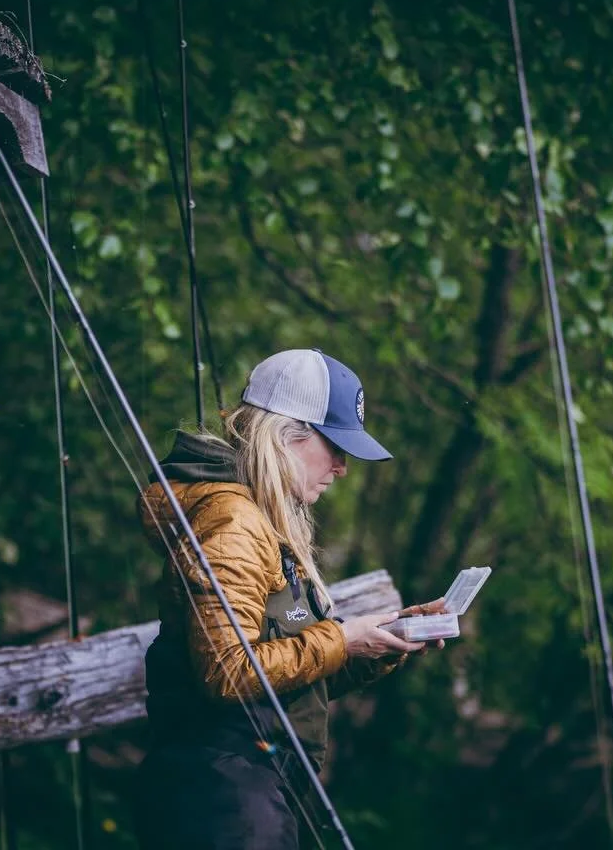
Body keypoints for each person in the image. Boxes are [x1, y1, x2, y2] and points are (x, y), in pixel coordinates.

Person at [133, 348, 442, 850]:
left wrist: (377, 644)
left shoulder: (259, 519)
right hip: (224, 801)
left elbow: (285, 683)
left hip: (252, 788)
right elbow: (230, 672)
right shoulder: (234, 522)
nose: (342, 467)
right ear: (287, 435)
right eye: (335, 445)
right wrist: (340, 637)